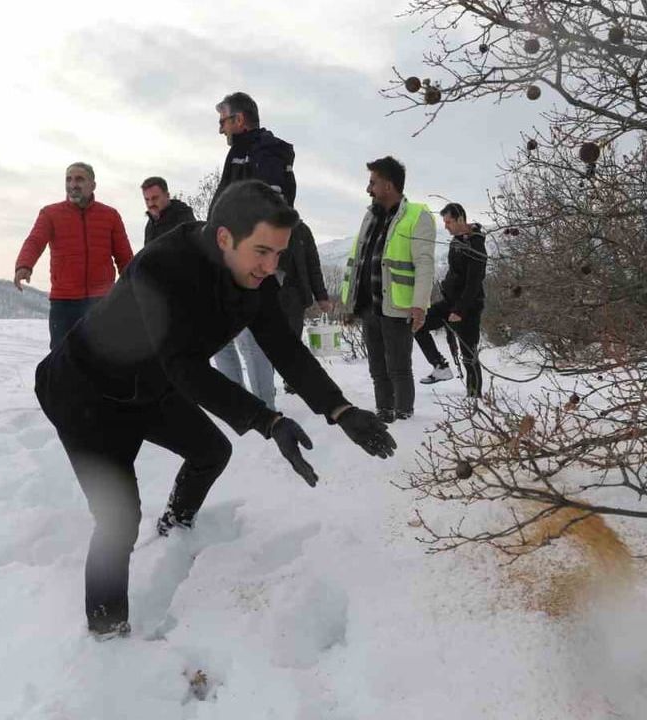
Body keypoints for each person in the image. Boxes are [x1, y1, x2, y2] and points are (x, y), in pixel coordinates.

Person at [33, 180, 396, 639]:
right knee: (118, 520)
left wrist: (340, 409)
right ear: (225, 237)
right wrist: (268, 419)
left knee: (211, 451)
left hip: (148, 386)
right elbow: (185, 367)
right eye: (262, 251)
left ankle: (176, 524)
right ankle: (107, 634)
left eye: (278, 254)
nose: (270, 266)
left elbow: (285, 348)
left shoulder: (252, 278)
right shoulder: (162, 268)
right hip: (85, 394)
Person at [211, 92, 298, 406]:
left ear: (239, 120)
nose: (221, 129)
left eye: (223, 121)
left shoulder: (265, 153)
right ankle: (236, 403)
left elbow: (270, 212)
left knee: (251, 338)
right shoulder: (239, 153)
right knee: (219, 335)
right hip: (228, 260)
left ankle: (263, 407)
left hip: (252, 264)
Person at [338, 156, 436, 423]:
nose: (368, 189)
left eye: (373, 183)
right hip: (369, 305)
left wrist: (419, 305)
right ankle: (384, 410)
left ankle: (404, 413)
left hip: (396, 306)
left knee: (398, 367)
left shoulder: (418, 216)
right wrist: (350, 305)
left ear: (389, 186)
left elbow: (425, 265)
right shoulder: (370, 215)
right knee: (377, 367)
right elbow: (359, 259)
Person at [14, 162, 133, 350]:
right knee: (62, 360)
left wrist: (134, 286)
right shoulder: (50, 214)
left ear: (93, 185)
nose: (73, 184)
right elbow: (35, 240)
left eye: (79, 179)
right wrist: (24, 265)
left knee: (103, 357)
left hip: (101, 302)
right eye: (68, 179)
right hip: (64, 302)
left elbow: (124, 256)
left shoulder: (110, 216)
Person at [415, 203, 487, 398]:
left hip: (468, 307)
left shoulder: (476, 244)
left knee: (468, 354)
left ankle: (474, 397)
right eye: (444, 222)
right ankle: (440, 366)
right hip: (449, 303)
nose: (445, 226)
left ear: (461, 219)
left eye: (448, 222)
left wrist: (460, 310)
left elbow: (473, 282)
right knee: (417, 323)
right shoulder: (456, 241)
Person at [278, 220, 333, 394]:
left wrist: (321, 296)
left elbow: (313, 265)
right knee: (266, 340)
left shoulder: (301, 230)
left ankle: (291, 380)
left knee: (293, 340)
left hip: (295, 296)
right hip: (268, 293)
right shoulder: (262, 222)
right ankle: (264, 385)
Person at [141, 176, 196, 244]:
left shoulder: (183, 219)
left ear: (167, 195)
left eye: (155, 198)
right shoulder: (150, 225)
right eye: (147, 199)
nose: (151, 203)